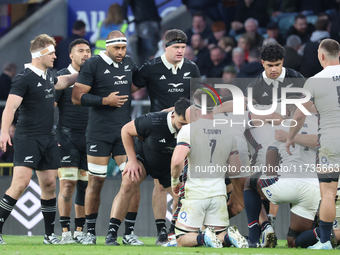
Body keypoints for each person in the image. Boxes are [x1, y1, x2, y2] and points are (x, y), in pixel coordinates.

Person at [0, 34, 78, 245]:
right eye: (51, 52)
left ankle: (49, 236)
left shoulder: (47, 76)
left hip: (48, 139)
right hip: (28, 138)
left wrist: (82, 73)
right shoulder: (23, 78)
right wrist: (4, 132)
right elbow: (10, 107)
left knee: (49, 185)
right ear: (39, 54)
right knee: (20, 184)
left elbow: (62, 82)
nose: (55, 56)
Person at [71, 30, 142, 245]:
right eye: (116, 48)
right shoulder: (93, 64)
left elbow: (134, 85)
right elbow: (76, 97)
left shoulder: (129, 63)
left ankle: (128, 232)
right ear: (107, 47)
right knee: (96, 182)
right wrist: (105, 101)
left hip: (124, 133)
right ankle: (90, 232)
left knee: (133, 180)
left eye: (123, 48)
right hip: (99, 133)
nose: (121, 52)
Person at [132, 29, 200, 244]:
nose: (181, 51)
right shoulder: (151, 68)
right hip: (160, 130)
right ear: (165, 46)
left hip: (186, 131)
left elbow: (197, 99)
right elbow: (129, 89)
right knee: (160, 185)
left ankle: (175, 228)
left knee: (183, 182)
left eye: (183, 47)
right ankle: (162, 231)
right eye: (176, 47)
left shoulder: (192, 68)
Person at [104, 98, 190, 246]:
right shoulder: (152, 120)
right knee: (128, 184)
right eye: (181, 123)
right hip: (143, 158)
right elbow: (126, 130)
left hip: (168, 167)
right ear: (173, 115)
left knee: (182, 196)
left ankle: (170, 233)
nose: (184, 128)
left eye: (187, 125)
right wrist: (131, 160)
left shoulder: (191, 128)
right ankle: (111, 234)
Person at [171, 89, 247, 248]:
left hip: (196, 193)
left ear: (195, 107)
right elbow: (236, 169)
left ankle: (203, 237)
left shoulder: (188, 129)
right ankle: (228, 237)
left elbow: (177, 161)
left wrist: (174, 182)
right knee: (219, 235)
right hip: (219, 194)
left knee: (181, 238)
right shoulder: (228, 132)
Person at [286, 38, 340, 249]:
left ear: (321, 56)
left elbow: (299, 115)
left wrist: (291, 137)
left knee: (328, 192)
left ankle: (325, 241)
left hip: (331, 142)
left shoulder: (315, 80)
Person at [244, 103, 321, 248]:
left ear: (288, 110)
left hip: (286, 185)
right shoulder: (320, 125)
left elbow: (270, 164)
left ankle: (257, 235)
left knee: (250, 182)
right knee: (293, 241)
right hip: (312, 188)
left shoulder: (283, 127)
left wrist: (273, 179)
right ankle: (323, 233)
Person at [55, 38, 91, 244]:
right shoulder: (61, 77)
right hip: (66, 138)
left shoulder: (94, 77)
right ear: (71, 55)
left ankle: (79, 231)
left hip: (90, 138)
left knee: (86, 186)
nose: (85, 54)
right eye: (81, 51)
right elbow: (49, 107)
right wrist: (53, 137)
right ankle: (65, 232)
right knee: (68, 185)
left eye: (88, 51)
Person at [122, 0, 161, 67]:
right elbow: (125, 5)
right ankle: (147, 70)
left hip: (151, 20)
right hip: (143, 21)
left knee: (154, 46)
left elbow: (152, 4)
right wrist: (125, 18)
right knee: (148, 48)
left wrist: (157, 18)